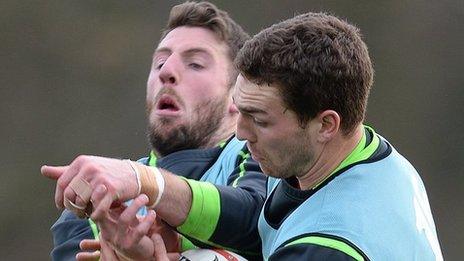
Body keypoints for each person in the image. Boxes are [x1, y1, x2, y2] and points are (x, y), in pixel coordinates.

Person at [44, 12, 444, 260]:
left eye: (260, 119)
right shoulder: (375, 161)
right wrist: (144, 180)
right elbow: (257, 221)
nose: (240, 132)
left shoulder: (326, 246)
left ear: (326, 124)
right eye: (161, 60)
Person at [47, 1, 266, 260]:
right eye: (160, 62)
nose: (168, 72)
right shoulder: (97, 195)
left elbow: (258, 222)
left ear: (237, 96)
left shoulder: (263, 154)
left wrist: (148, 183)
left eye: (195, 64)